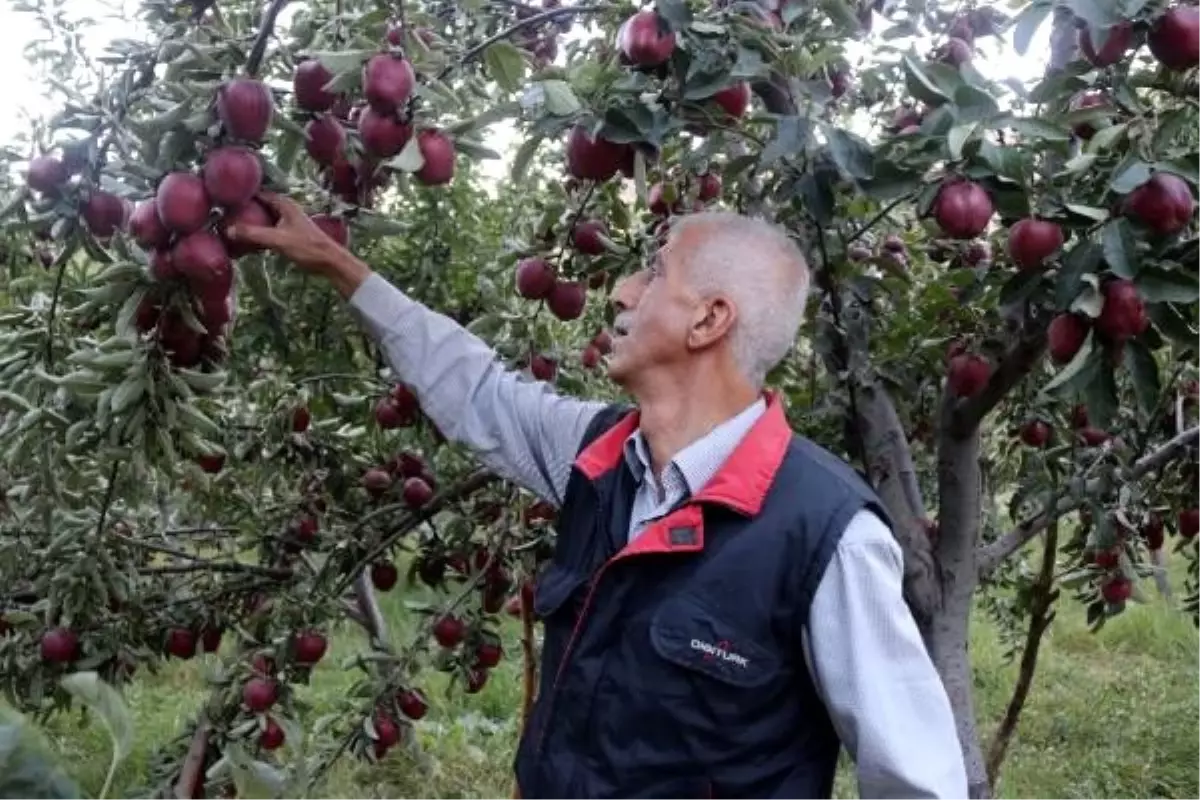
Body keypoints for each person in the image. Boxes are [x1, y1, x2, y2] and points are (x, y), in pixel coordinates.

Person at [228, 195, 969, 799]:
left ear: (710, 319)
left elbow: (917, 781)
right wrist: (335, 263)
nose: (620, 292)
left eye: (652, 276)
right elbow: (476, 391)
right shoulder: (599, 455)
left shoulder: (825, 531)